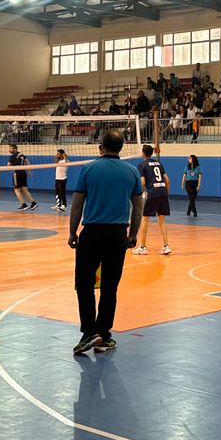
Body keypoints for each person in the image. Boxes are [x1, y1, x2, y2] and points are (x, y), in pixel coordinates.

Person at [68, 130, 144, 355]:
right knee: (110, 287)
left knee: (84, 284)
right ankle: (104, 334)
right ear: (121, 147)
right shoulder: (132, 171)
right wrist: (133, 235)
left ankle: (89, 332)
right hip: (117, 235)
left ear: (101, 146)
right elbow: (138, 207)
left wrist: (72, 233)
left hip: (91, 233)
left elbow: (77, 204)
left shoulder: (88, 169)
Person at [133, 144, 171, 255]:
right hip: (163, 191)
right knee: (162, 219)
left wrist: (144, 192)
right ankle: (166, 246)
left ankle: (142, 247)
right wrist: (166, 193)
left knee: (145, 219)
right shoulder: (158, 163)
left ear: (143, 153)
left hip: (153, 192)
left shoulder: (142, 165)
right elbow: (167, 180)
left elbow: (143, 182)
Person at [8, 143, 37, 210]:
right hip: (23, 173)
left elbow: (8, 165)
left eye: (11, 148)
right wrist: (29, 171)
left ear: (15, 149)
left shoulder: (12, 156)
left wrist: (12, 166)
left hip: (17, 174)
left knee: (17, 190)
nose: (9, 150)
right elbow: (27, 163)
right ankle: (33, 203)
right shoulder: (22, 155)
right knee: (25, 190)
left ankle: (24, 205)